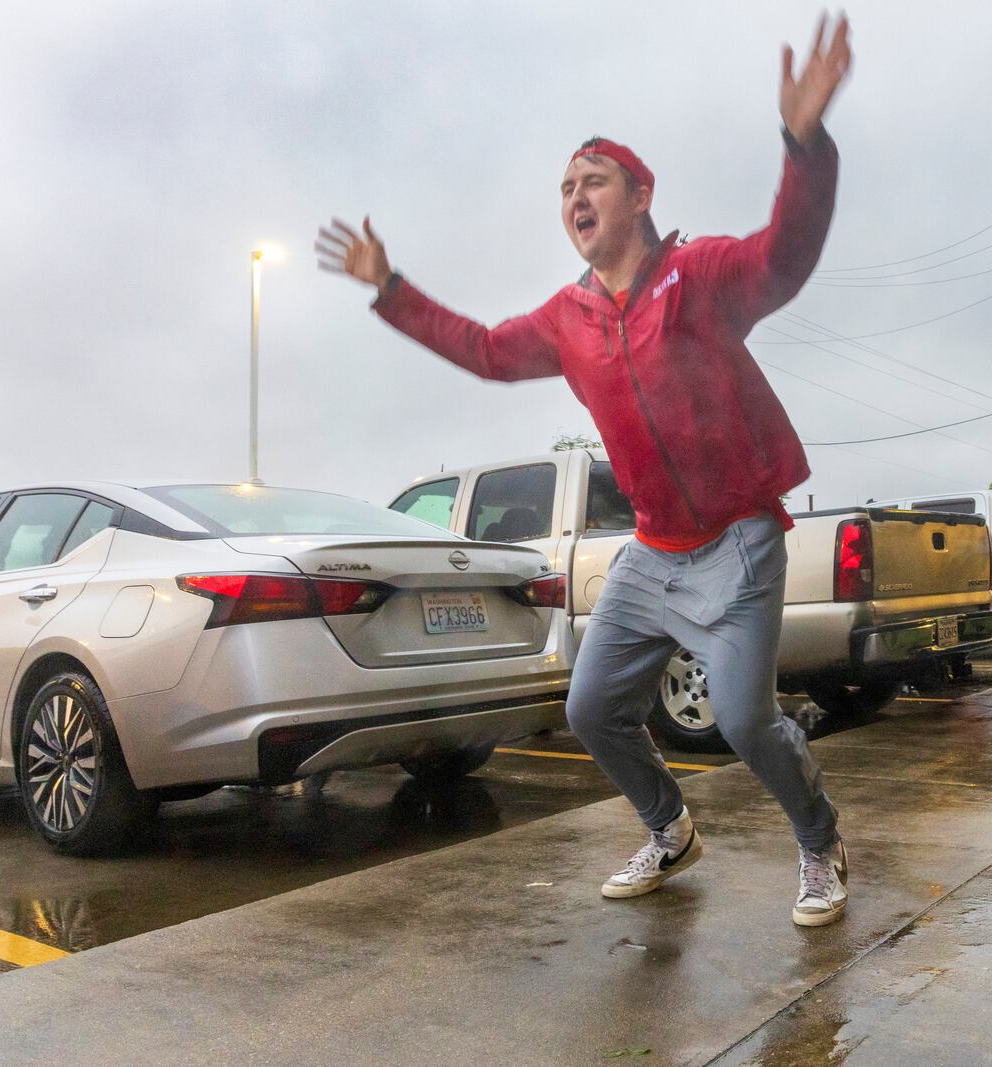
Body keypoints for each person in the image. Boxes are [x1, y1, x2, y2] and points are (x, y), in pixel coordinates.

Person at [316, 15, 854, 926]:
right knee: (591, 706)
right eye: (565, 186)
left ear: (640, 195)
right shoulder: (567, 320)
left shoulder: (701, 274)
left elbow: (785, 255)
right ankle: (668, 828)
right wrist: (392, 289)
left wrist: (804, 144)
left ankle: (819, 839)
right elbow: (485, 350)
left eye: (592, 179)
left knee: (743, 720)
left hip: (738, 541)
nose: (575, 195)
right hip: (650, 550)